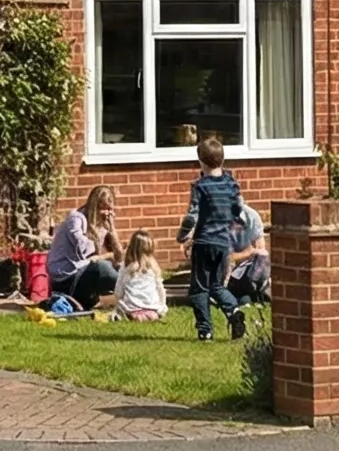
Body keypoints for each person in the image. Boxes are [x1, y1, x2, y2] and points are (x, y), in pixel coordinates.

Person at [176, 134, 246, 341]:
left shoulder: (200, 186)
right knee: (216, 286)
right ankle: (234, 311)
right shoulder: (231, 184)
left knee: (199, 288)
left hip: (204, 242)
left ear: (201, 161)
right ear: (222, 160)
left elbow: (192, 215)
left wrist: (182, 236)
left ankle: (205, 330)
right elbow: (238, 210)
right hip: (223, 243)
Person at [46, 185, 121, 310]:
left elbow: (118, 255)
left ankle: (136, 293)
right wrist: (100, 233)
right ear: (94, 206)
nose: (106, 213)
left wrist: (112, 229)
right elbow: (82, 249)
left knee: (121, 267)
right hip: (66, 278)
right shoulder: (76, 219)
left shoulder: (102, 224)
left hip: (81, 273)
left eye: (109, 209)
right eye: (102, 208)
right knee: (103, 268)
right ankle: (131, 293)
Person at [109, 231, 167, 321]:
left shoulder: (126, 267)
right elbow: (160, 289)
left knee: (120, 305)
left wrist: (118, 302)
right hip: (153, 308)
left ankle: (127, 315)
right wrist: (162, 306)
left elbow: (118, 292)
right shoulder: (154, 267)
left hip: (131, 309)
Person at [227, 201, 270, 307]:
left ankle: (256, 290)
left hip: (248, 269)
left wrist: (250, 253)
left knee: (262, 257)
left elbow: (260, 249)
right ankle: (255, 293)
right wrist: (247, 253)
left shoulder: (251, 216)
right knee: (244, 297)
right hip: (230, 274)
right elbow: (225, 259)